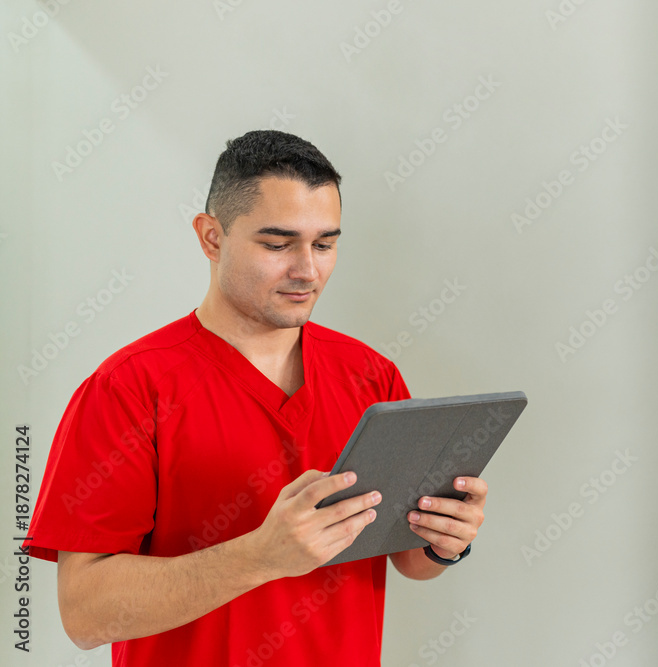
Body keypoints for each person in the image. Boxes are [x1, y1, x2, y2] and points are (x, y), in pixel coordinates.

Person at [22, 129, 487, 666]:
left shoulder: (371, 377)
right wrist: (260, 557)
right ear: (211, 237)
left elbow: (410, 560)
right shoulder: (129, 388)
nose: (306, 270)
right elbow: (84, 615)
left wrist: (446, 539)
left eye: (324, 244)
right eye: (277, 244)